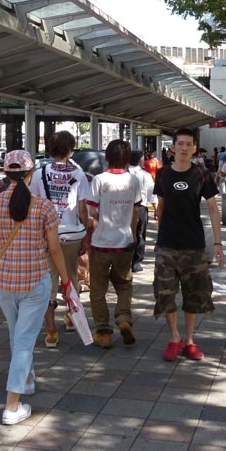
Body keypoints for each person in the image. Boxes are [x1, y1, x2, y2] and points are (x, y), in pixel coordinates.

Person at [0, 150, 71, 426]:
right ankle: (12, 405)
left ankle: (28, 379)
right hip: (35, 281)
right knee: (23, 341)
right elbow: (54, 249)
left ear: (6, 174)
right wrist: (66, 281)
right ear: (30, 174)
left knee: (16, 334)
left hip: (4, 282)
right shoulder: (44, 207)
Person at [152, 128, 224, 361]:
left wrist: (219, 243)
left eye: (188, 144)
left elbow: (213, 208)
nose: (184, 148)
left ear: (194, 148)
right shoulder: (162, 174)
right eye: (180, 144)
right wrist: (161, 232)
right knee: (165, 294)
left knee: (195, 295)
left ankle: (190, 341)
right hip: (166, 245)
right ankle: (174, 338)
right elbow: (160, 207)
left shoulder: (201, 174)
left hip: (194, 245)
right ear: (172, 147)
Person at [28, 130, 90, 347]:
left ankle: (51, 331)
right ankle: (71, 317)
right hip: (72, 234)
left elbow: (33, 205)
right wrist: (85, 233)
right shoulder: (79, 174)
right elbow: (83, 210)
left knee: (48, 282)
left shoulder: (39, 174)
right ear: (71, 149)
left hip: (46, 235)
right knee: (71, 277)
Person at [87, 139, 141, 348]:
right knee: (124, 284)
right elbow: (136, 211)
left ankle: (103, 332)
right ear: (127, 158)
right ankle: (124, 319)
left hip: (101, 242)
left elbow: (92, 211)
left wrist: (101, 217)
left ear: (108, 157)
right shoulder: (133, 180)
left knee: (98, 290)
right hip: (125, 241)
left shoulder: (99, 180)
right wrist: (133, 235)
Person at [128, 150, 153, 273]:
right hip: (142, 207)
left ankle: (126, 260)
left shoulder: (124, 173)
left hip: (125, 208)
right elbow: (151, 193)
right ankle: (136, 262)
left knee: (126, 232)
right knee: (140, 234)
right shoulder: (145, 175)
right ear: (140, 160)